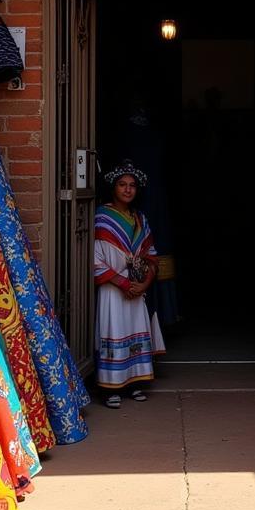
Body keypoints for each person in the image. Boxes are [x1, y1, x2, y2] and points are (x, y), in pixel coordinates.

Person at [94, 160, 166, 408]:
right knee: (113, 330)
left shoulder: (140, 219)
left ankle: (135, 382)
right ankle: (111, 387)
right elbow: (96, 260)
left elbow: (152, 256)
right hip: (113, 289)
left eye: (132, 185)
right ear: (113, 188)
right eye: (122, 185)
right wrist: (123, 283)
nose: (127, 190)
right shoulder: (101, 217)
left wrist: (144, 284)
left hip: (137, 290)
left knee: (135, 332)